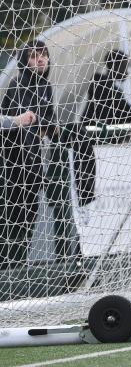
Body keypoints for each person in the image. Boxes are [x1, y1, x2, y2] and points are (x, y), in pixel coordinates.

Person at [0, 40, 58, 269]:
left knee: (27, 223)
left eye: (44, 54)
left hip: (33, 170)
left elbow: (48, 125)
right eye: (34, 56)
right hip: (13, 170)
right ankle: (6, 272)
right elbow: (18, 126)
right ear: (24, 61)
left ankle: (18, 269)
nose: (41, 59)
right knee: (10, 223)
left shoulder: (46, 87)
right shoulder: (17, 85)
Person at [82, 49, 131, 126]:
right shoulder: (99, 82)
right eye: (124, 66)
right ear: (115, 66)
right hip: (92, 132)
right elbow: (127, 112)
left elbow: (126, 111)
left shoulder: (113, 88)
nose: (126, 72)